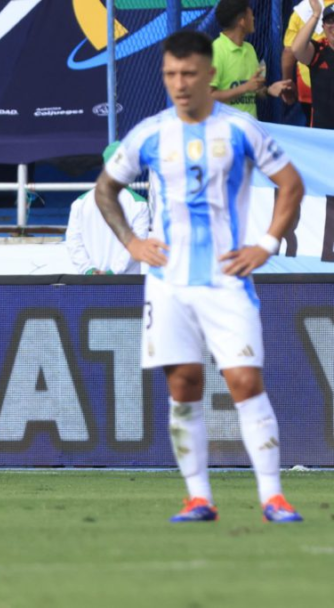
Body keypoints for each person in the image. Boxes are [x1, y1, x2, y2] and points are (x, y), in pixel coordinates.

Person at [94, 31, 305, 523]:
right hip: (168, 283)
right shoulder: (149, 133)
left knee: (244, 382)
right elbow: (106, 190)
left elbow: (290, 184)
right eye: (170, 74)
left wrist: (267, 244)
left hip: (227, 279)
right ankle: (198, 497)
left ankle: (272, 496)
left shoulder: (240, 131)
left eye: (188, 73)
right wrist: (130, 242)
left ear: (210, 73)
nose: (179, 84)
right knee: (184, 385)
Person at [65, 142, 149, 275]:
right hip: (127, 285)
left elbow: (73, 242)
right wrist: (112, 273)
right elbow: (136, 245)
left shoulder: (80, 203)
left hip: (91, 283)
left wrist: (88, 271)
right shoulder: (139, 204)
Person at [210, 0, 294, 117]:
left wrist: (269, 90)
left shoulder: (250, 49)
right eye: (251, 14)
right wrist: (245, 88)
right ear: (242, 21)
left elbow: (253, 89)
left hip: (250, 129)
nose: (254, 18)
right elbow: (208, 97)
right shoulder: (215, 51)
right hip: (225, 131)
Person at [283, 0, 334, 125]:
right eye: (330, 21)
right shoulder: (319, 52)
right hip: (322, 133)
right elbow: (295, 49)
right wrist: (316, 14)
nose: (333, 25)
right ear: (323, 27)